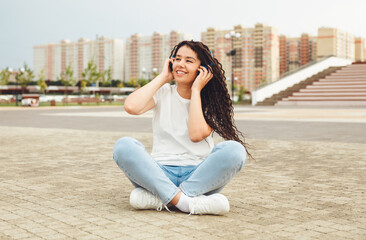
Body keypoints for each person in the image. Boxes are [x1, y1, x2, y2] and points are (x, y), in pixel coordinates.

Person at [113, 40, 250, 215]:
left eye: (189, 61)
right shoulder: (163, 93)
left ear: (203, 69)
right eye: (177, 59)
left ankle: (164, 198)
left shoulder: (211, 103)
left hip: (198, 176)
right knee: (124, 146)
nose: (180, 64)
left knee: (235, 150)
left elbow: (196, 134)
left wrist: (195, 91)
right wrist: (163, 77)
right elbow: (131, 107)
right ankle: (186, 202)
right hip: (160, 173)